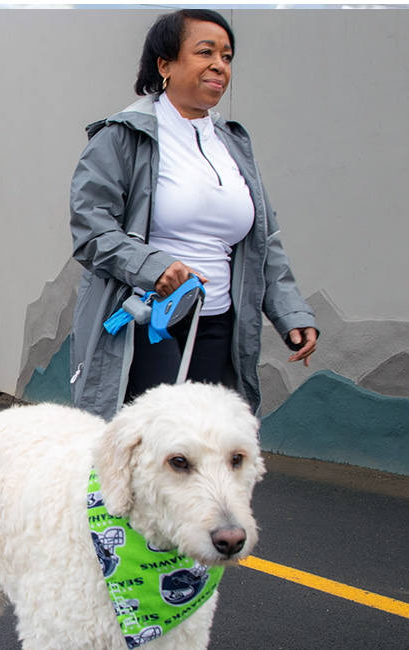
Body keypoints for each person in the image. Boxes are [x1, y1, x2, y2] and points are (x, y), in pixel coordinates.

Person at [69, 9, 318, 421]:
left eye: (227, 56)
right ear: (165, 64)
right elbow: (91, 230)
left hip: (218, 322)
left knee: (203, 445)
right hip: (148, 319)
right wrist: (155, 268)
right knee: (157, 441)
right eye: (206, 52)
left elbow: (263, 241)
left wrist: (291, 313)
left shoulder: (233, 144)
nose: (219, 64)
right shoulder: (121, 137)